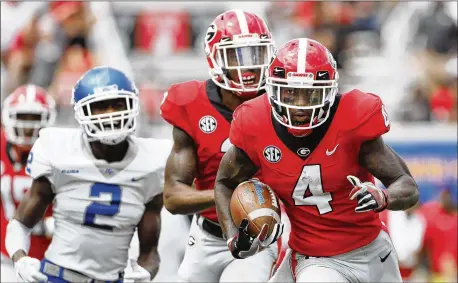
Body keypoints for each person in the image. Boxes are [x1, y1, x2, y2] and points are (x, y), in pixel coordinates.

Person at [214, 38, 420, 283]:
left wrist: (383, 196)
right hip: (313, 259)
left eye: (310, 94)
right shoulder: (254, 123)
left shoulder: (353, 118)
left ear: (329, 91)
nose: (300, 105)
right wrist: (232, 236)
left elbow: (407, 186)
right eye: (290, 92)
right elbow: (224, 183)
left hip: (373, 252)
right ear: (273, 90)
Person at [5, 66, 171, 283]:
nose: (111, 114)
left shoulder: (152, 163)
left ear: (133, 105)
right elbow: (20, 223)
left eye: (118, 104)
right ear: (82, 112)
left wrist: (146, 272)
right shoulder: (58, 152)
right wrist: (20, 258)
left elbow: (150, 253)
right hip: (58, 276)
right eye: (101, 107)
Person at [160, 9, 279, 282]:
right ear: (214, 58)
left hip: (261, 235)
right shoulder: (190, 103)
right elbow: (173, 196)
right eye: (237, 55)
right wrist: (231, 197)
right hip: (205, 235)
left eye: (255, 54)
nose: (248, 68)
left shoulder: (280, 106)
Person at [0, 85, 56, 282]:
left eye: (34, 118)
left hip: (49, 260)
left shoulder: (59, 154)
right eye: (22, 117)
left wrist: (53, 225)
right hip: (5, 258)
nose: (27, 126)